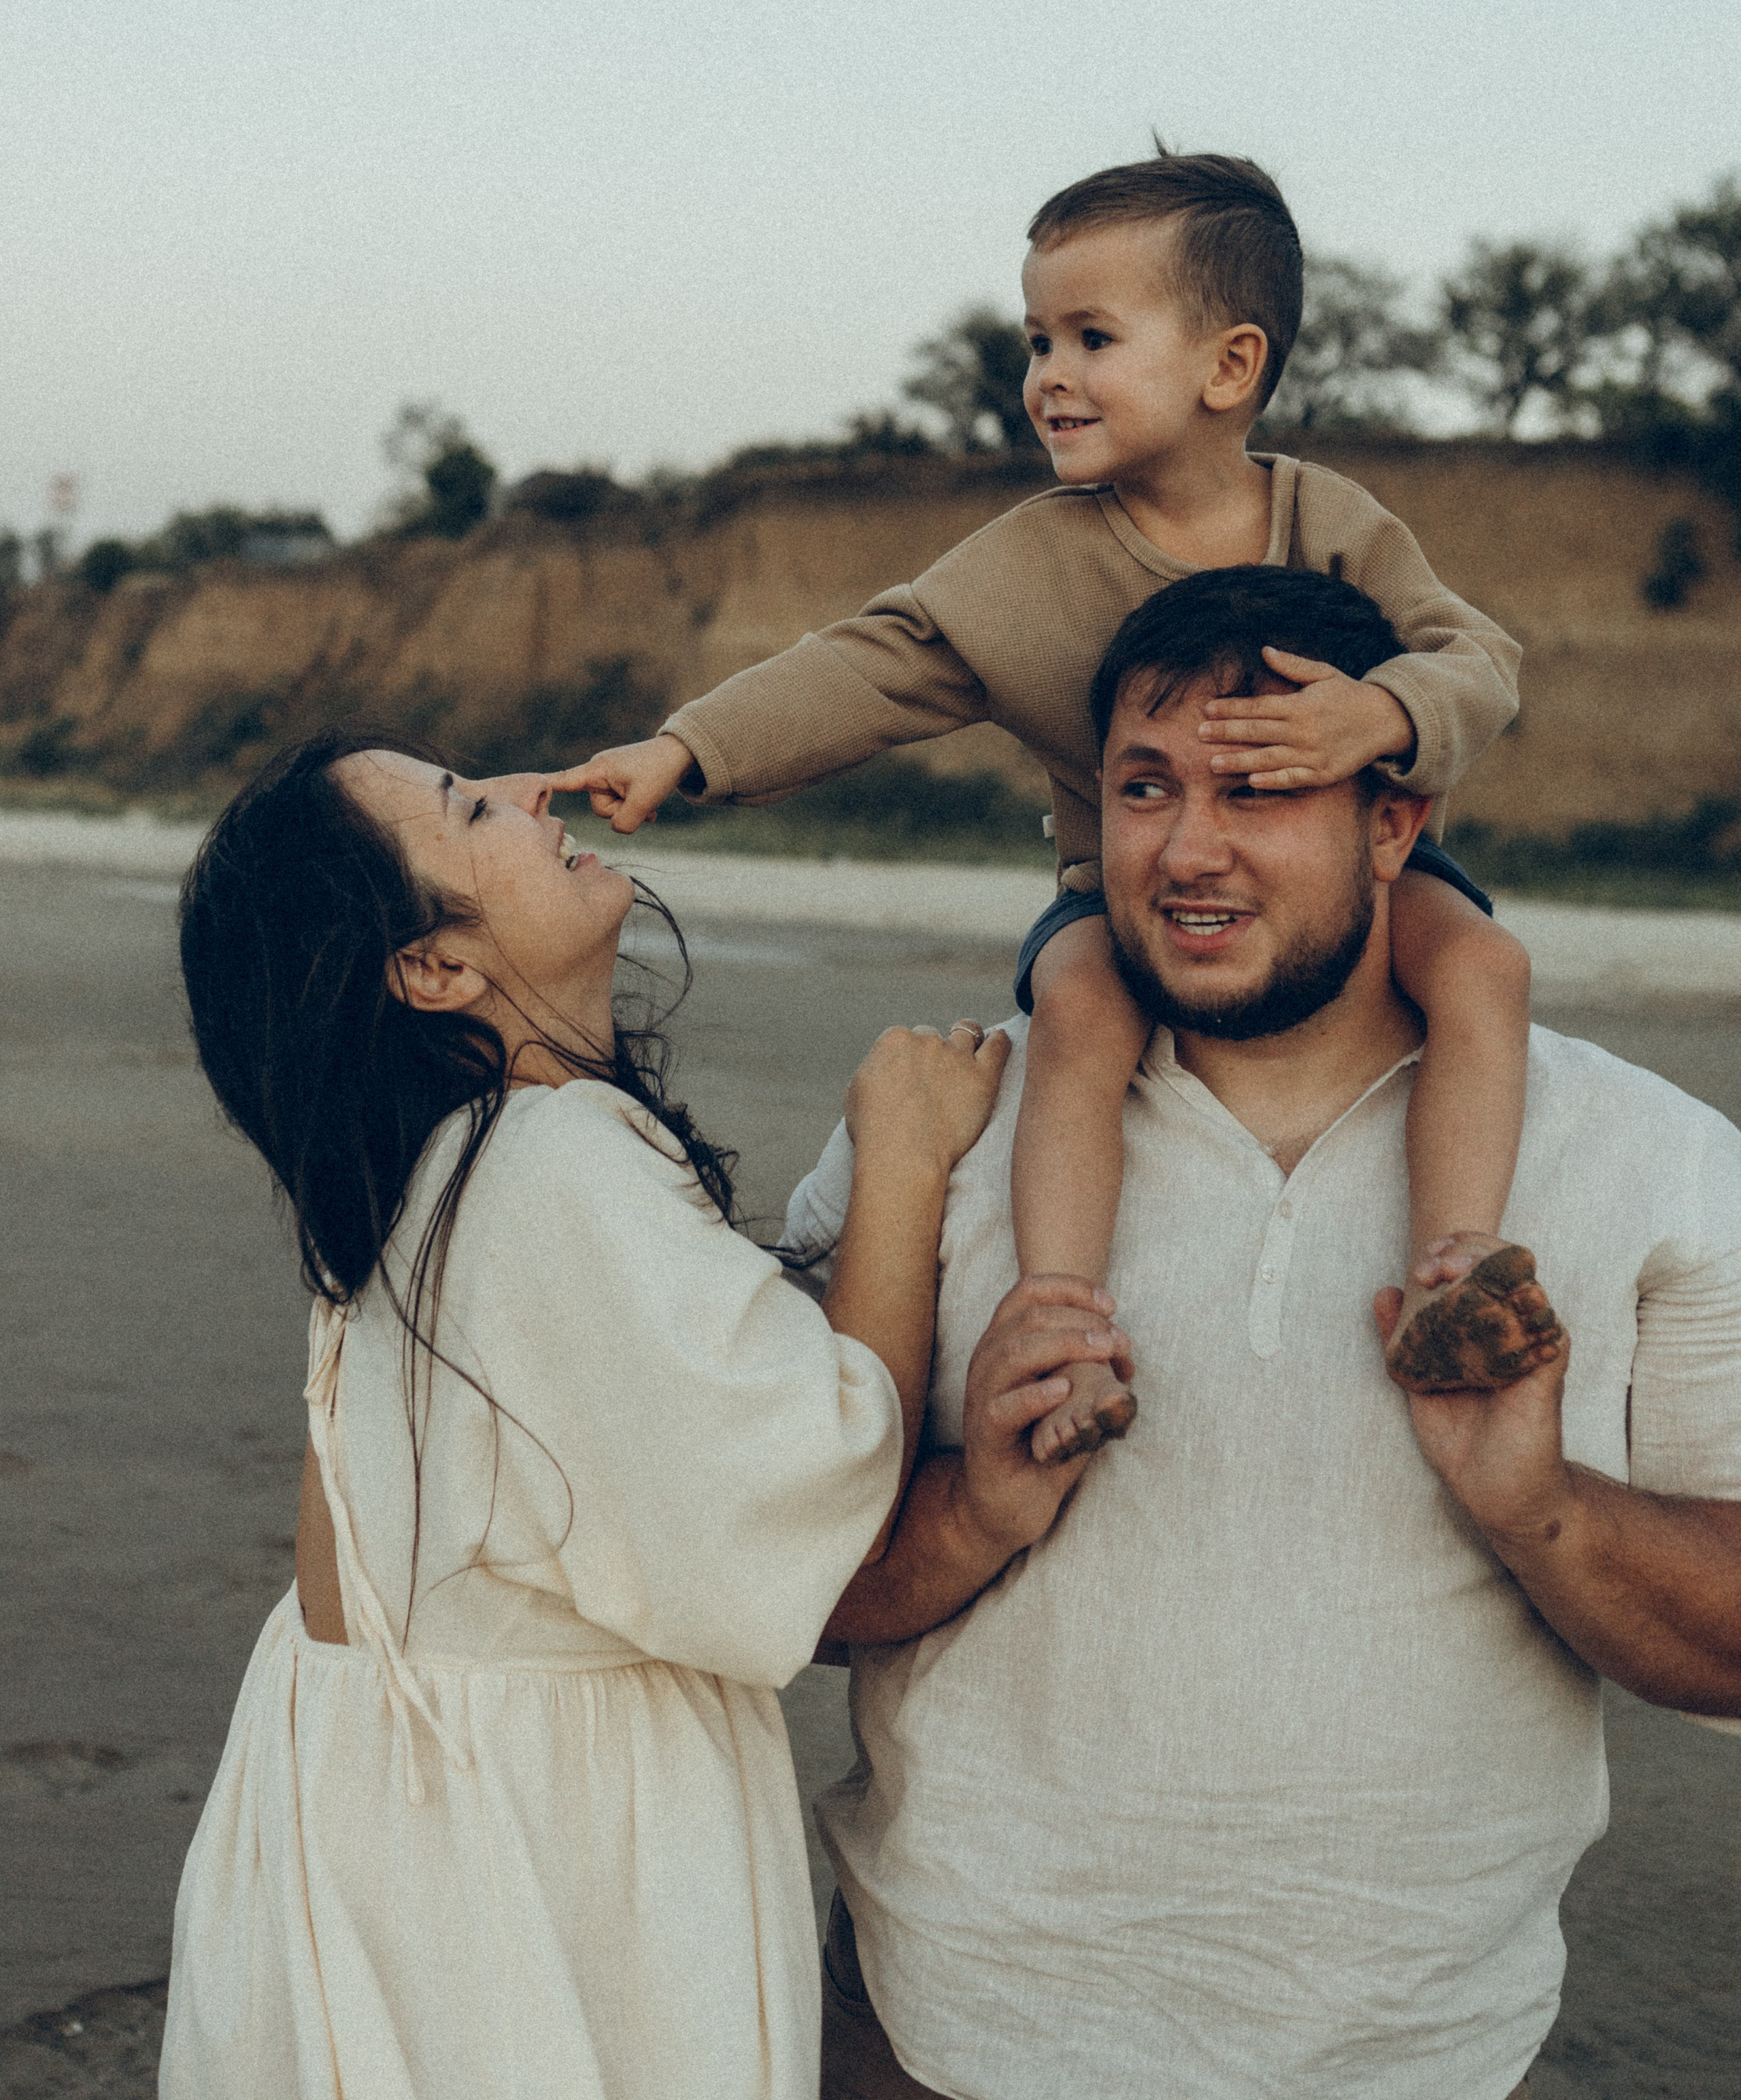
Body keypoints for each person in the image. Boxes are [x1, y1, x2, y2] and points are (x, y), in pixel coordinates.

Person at [787, 566, 1741, 2100]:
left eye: (1260, 788)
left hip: (1417, 2062)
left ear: (1393, 822)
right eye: (1144, 788)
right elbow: (782, 1590)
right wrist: (973, 1508)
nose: (1185, 849)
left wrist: (1536, 1505)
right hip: (937, 2036)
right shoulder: (936, 1134)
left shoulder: (1654, 1157)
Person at [561, 148, 1537, 1463]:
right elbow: (877, 659)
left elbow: (1479, 660)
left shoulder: (1332, 519)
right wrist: (690, 751)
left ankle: (1454, 1272)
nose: (1048, 376)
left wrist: (1388, 715)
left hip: (1352, 882)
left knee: (1481, 962)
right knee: (1078, 1011)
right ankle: (1062, 1318)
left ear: (1229, 367)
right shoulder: (1032, 561)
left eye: (1091, 336)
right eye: (1036, 341)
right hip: (1116, 898)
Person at [156, 729, 1038, 2100]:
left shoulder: (430, 1182)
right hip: (514, 1857)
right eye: (469, 807)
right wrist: (904, 1157)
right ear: (436, 969)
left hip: (397, 1816)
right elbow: (817, 1492)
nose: (530, 795)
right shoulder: (544, 1167)